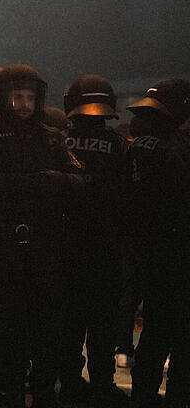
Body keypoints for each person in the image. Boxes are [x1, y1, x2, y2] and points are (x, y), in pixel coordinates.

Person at [0, 64, 83, 408]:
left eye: (30, 97)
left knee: (47, 324)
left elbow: (79, 181)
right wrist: (25, 185)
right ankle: (10, 390)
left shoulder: (51, 137)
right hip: (1, 245)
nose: (25, 104)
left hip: (45, 245)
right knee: (5, 326)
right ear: (3, 97)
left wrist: (53, 180)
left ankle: (44, 391)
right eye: (18, 96)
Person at [56, 74, 129, 406]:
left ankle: (70, 381)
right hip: (106, 250)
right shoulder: (118, 145)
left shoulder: (57, 142)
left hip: (63, 248)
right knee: (103, 324)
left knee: (68, 322)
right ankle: (102, 383)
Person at [126, 78, 190, 408]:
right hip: (177, 260)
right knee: (181, 345)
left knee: (153, 339)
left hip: (149, 259)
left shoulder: (138, 145)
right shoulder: (176, 149)